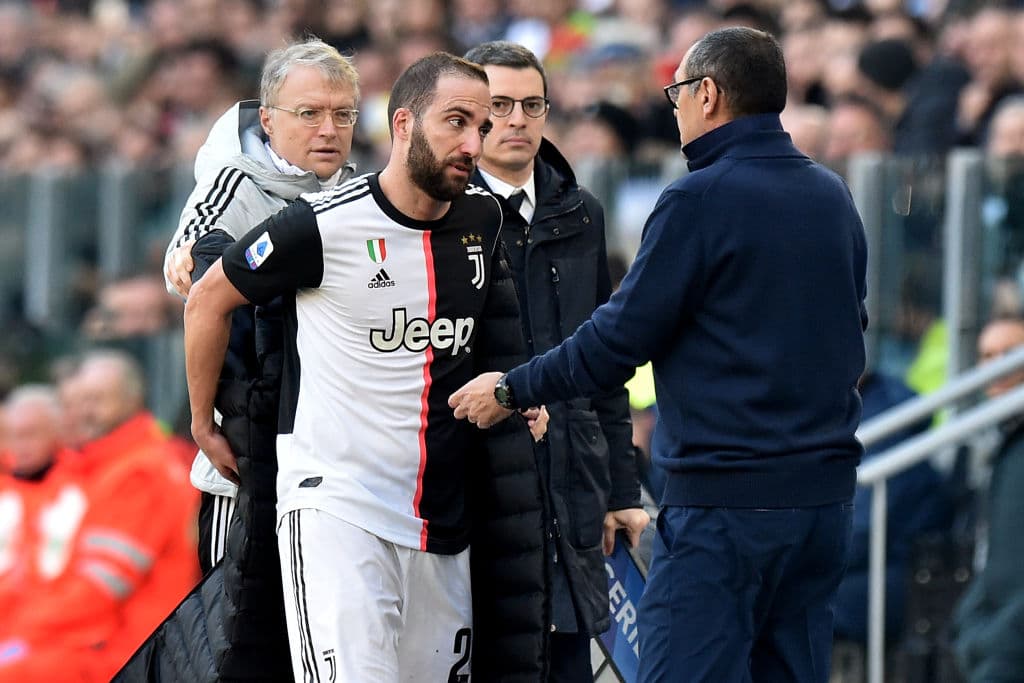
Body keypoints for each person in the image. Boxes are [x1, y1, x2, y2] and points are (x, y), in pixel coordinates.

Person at [450, 26, 868, 683]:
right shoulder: (831, 194)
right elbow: (853, 330)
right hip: (823, 508)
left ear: (708, 95)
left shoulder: (697, 198)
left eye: (677, 93)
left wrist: (511, 388)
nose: (672, 109)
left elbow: (616, 342)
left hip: (726, 507)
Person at [183, 51, 535, 681]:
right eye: (456, 121)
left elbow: (498, 332)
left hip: (440, 524)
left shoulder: (483, 221)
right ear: (403, 123)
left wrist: (522, 391)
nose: (474, 142)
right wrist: (202, 420)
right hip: (337, 511)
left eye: (481, 127)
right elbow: (207, 295)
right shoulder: (321, 226)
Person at [462, 40, 648, 682]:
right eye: (500, 105)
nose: (517, 120)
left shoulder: (582, 213)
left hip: (573, 487)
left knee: (568, 665)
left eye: (532, 105)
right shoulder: (439, 216)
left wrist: (621, 491)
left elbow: (607, 363)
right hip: (479, 490)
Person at [163, 38, 359, 573]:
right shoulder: (237, 183)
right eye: (310, 113)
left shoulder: (363, 195)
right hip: (244, 467)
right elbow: (192, 257)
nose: (328, 129)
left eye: (343, 114)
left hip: (337, 474)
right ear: (268, 121)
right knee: (231, 636)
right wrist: (183, 259)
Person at [0, 350, 198, 683]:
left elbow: (100, 590)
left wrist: (21, 636)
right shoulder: (102, 468)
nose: (81, 412)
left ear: (132, 399)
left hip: (124, 653)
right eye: (75, 402)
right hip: (90, 643)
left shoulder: (140, 472)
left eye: (96, 400)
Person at [952, 317, 1024, 682]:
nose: (997, 368)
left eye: (1010, 354)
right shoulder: (996, 442)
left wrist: (992, 642)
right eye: (987, 355)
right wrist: (967, 625)